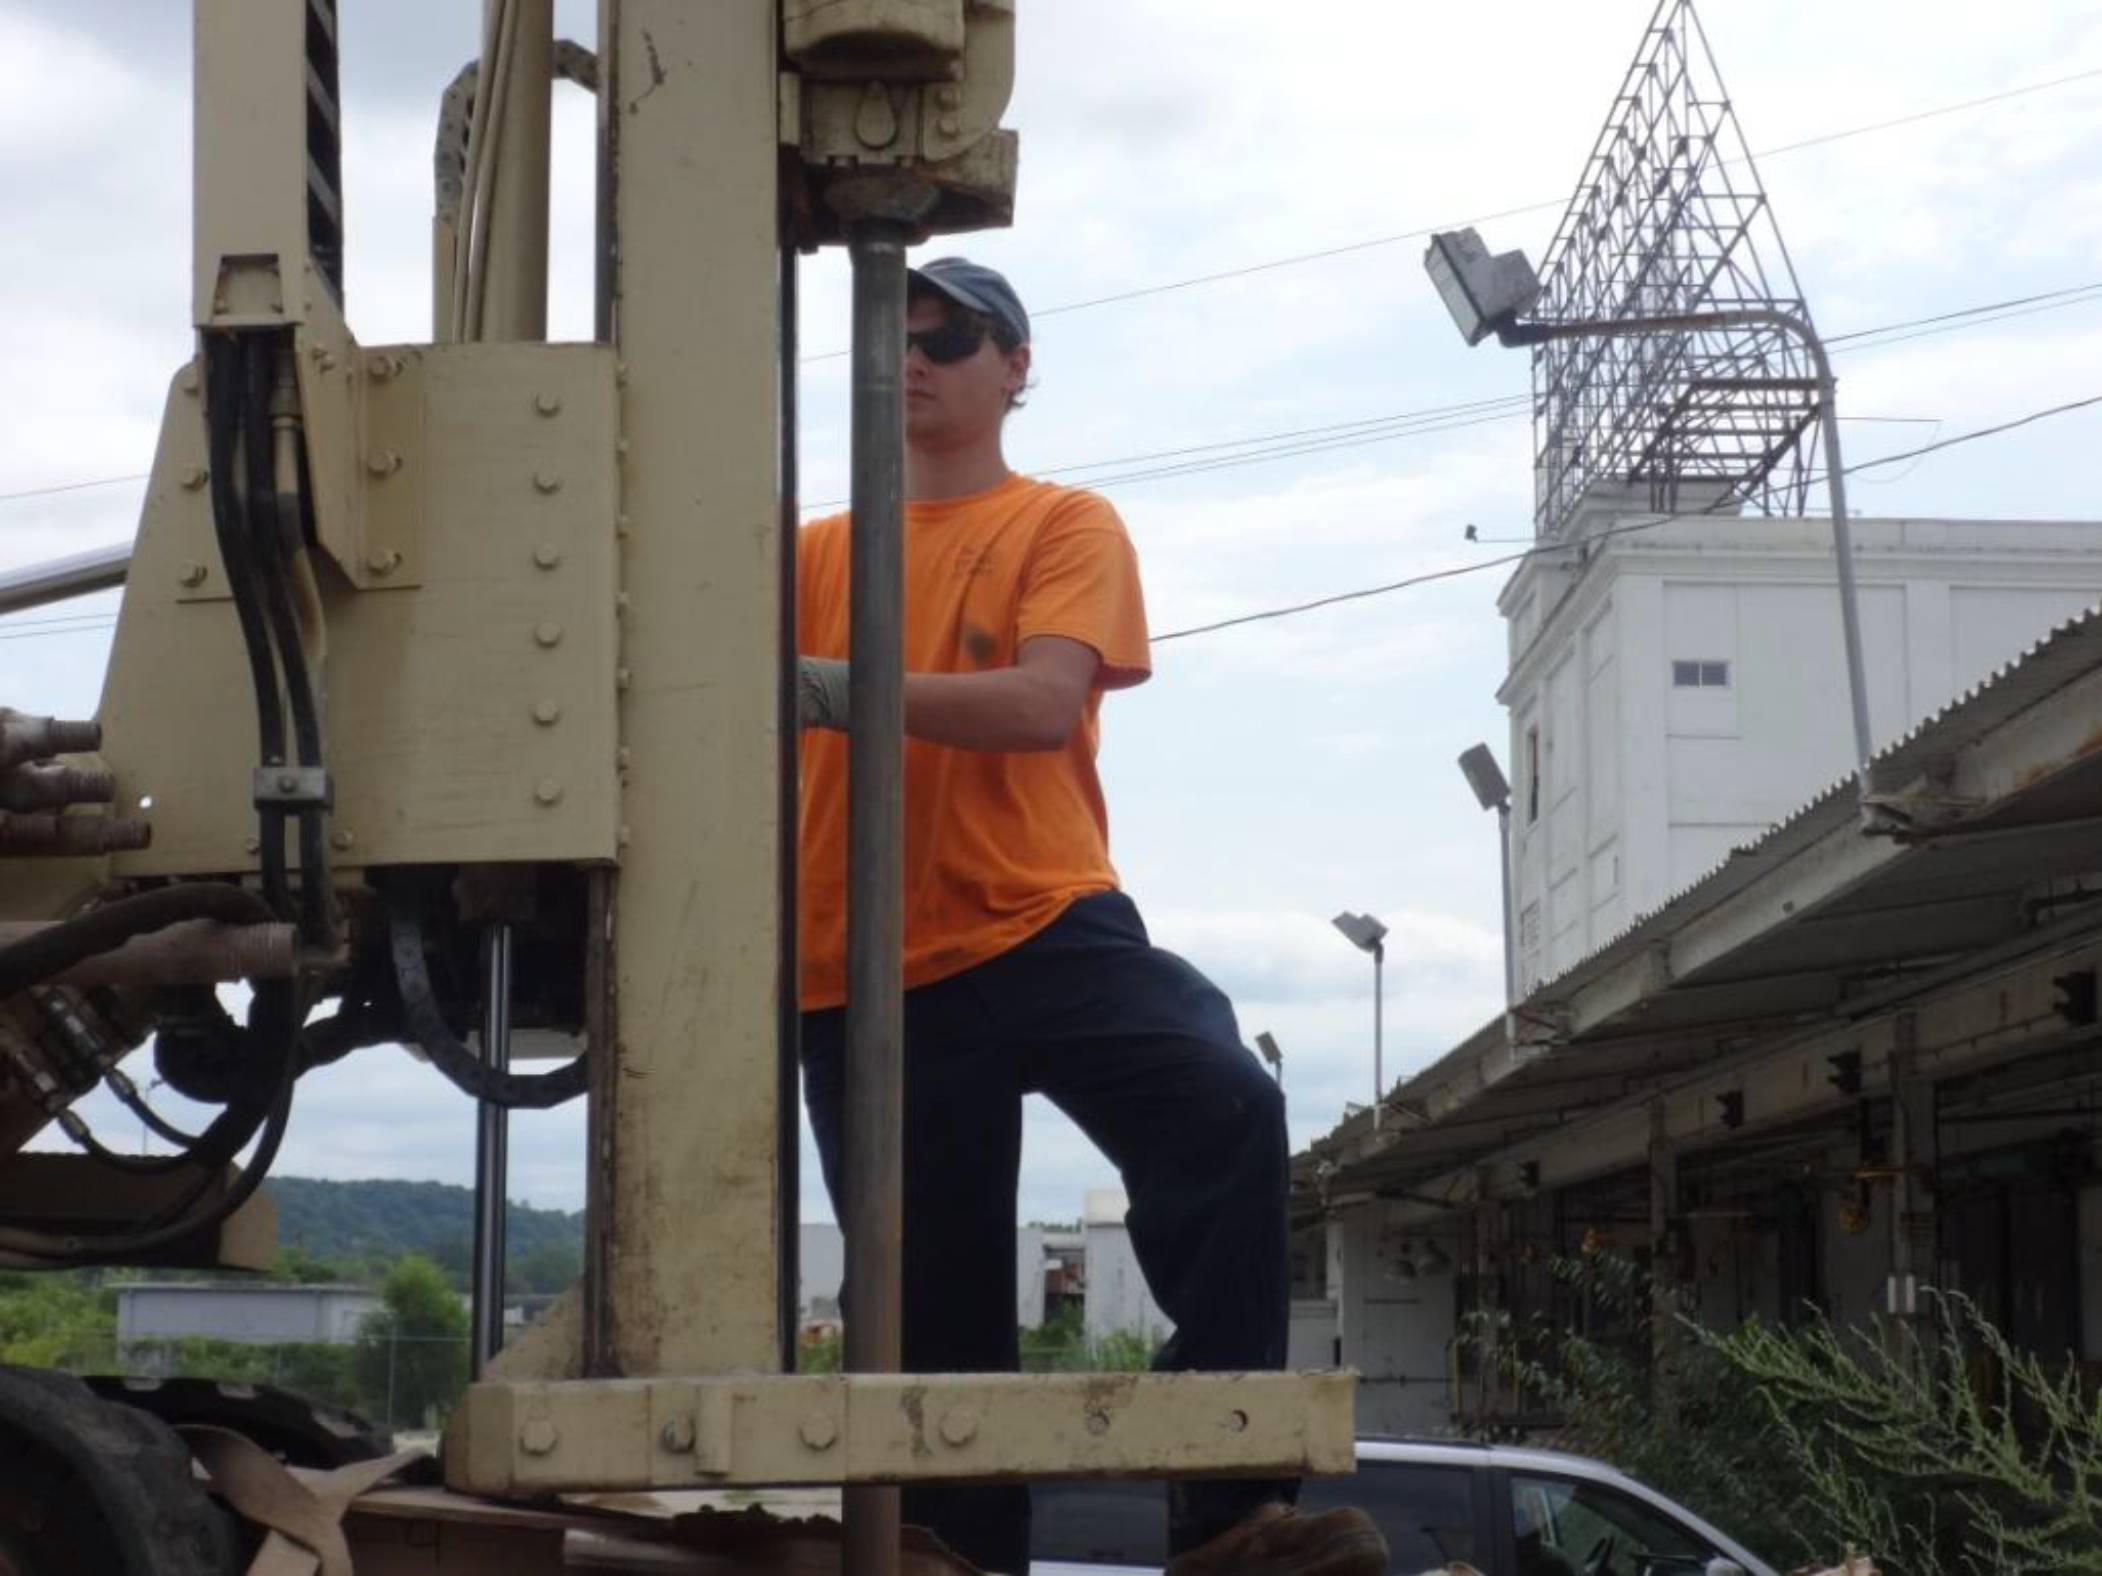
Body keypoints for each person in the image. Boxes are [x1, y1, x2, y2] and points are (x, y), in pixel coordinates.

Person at [795, 257, 1386, 1576]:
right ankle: (954, 1559)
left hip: (1040, 922)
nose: (915, 354)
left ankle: (1233, 1517)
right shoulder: (807, 554)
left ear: (1016, 366)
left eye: (948, 333)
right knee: (927, 1317)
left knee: (1222, 1105)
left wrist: (819, 685)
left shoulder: (1062, 524)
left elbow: (1037, 705)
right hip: (854, 967)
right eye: (888, 333)